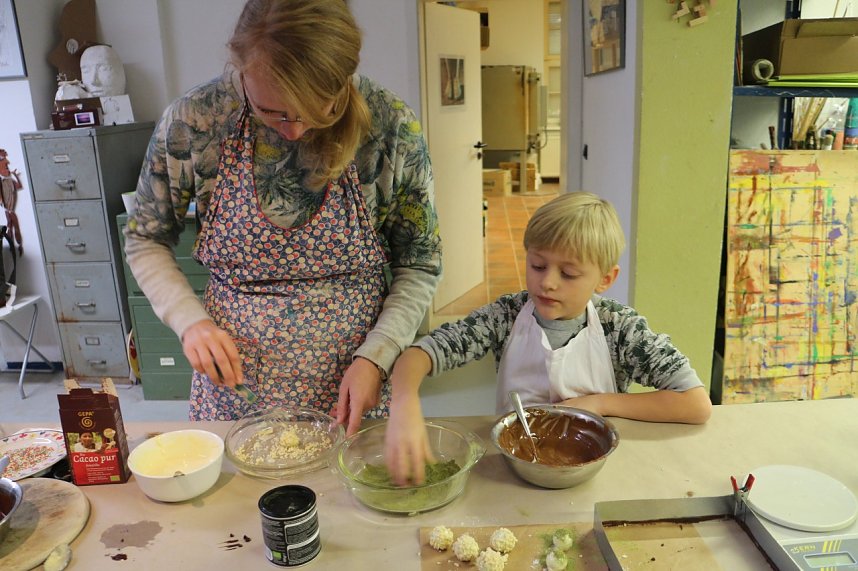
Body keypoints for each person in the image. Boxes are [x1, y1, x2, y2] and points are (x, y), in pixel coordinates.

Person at [124, 0, 441, 432]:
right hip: (236, 391)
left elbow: (420, 263)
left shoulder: (391, 126)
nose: (293, 130)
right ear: (240, 68)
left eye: (318, 110)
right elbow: (145, 239)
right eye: (271, 111)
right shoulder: (195, 121)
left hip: (356, 384)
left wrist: (378, 354)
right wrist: (189, 321)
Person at [385, 192, 712, 484]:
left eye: (568, 274)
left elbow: (695, 403)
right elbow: (422, 353)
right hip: (513, 471)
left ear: (605, 279)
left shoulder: (621, 329)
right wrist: (404, 402)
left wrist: (599, 403)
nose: (547, 283)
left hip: (594, 475)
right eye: (538, 266)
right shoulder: (505, 317)